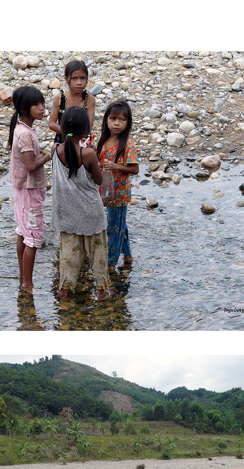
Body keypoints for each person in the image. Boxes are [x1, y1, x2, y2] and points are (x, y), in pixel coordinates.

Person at [51, 106, 111, 301]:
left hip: (66, 214)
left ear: (62, 127)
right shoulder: (89, 153)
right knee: (98, 255)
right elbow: (99, 180)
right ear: (86, 130)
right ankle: (102, 292)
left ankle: (65, 291)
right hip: (90, 213)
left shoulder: (54, 150)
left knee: (68, 257)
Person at [7, 86, 49, 292]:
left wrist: (37, 154)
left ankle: (23, 276)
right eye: (37, 105)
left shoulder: (23, 129)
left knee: (23, 232)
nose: (42, 108)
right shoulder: (25, 134)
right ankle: (28, 283)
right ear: (24, 109)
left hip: (22, 188)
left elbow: (28, 159)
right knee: (32, 237)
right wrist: (47, 156)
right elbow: (31, 166)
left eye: (42, 103)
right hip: (29, 189)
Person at [95, 100, 139, 271]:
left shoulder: (127, 144)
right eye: (113, 119)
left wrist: (116, 167)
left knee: (114, 228)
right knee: (120, 225)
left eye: (122, 120)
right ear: (106, 120)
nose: (116, 123)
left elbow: (134, 169)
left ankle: (111, 264)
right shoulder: (104, 141)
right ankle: (127, 256)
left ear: (127, 123)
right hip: (106, 192)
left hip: (120, 194)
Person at [48, 60, 96, 147]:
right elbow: (51, 123)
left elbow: (89, 126)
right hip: (63, 141)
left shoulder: (89, 99)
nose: (79, 83)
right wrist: (69, 134)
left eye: (82, 78)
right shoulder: (59, 99)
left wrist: (78, 136)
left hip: (82, 141)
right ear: (66, 79)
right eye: (74, 78)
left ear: (87, 79)